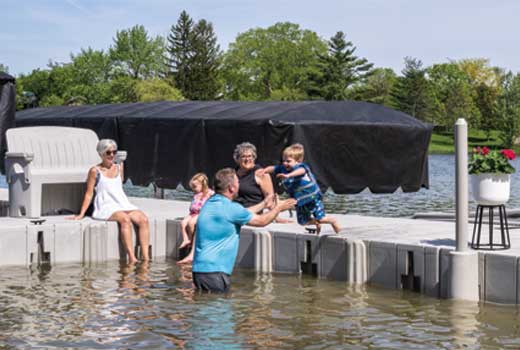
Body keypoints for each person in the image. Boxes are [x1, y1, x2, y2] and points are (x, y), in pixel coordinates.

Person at [192, 168, 296, 293]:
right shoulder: (231, 208)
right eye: (238, 183)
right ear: (231, 188)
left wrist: (264, 204)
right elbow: (261, 221)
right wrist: (278, 208)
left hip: (199, 271)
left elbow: (242, 213)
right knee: (218, 310)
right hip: (215, 273)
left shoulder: (210, 203)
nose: (239, 186)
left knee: (205, 308)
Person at [72, 139, 150, 264]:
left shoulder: (119, 167)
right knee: (125, 219)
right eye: (108, 152)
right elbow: (89, 193)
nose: (112, 155)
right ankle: (132, 257)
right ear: (101, 154)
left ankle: (146, 258)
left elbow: (119, 186)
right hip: (106, 205)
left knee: (143, 219)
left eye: (114, 152)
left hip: (122, 202)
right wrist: (81, 214)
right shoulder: (94, 171)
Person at [258, 143, 341, 234]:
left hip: (312, 197)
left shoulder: (301, 167)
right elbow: (273, 168)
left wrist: (288, 175)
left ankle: (333, 222)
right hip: (301, 201)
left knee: (321, 217)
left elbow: (301, 171)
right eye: (284, 161)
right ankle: (316, 222)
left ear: (298, 161)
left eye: (288, 161)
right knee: (302, 222)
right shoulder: (283, 168)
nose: (285, 163)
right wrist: (264, 170)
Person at [233, 142, 291, 222]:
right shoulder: (233, 174)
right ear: (237, 159)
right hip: (234, 212)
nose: (247, 159)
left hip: (252, 215)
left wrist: (275, 216)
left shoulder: (261, 173)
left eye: (250, 156)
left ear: (254, 158)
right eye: (243, 156)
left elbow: (269, 197)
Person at [177, 173, 214, 265]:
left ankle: (192, 241)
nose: (193, 189)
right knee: (183, 222)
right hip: (193, 213)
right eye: (192, 187)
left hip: (202, 213)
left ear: (203, 185)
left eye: (195, 187)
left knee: (191, 223)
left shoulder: (210, 193)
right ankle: (186, 239)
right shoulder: (196, 194)